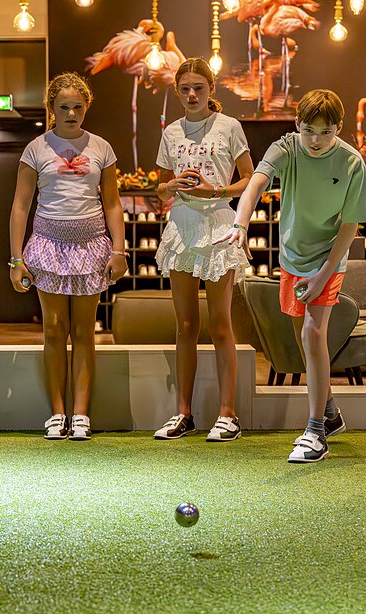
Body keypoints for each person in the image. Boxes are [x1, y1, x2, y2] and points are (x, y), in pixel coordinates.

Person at [219, 89, 366, 463]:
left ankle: (316, 430)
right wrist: (240, 223)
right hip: (292, 256)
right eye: (308, 131)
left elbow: (350, 226)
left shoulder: (352, 163)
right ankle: (331, 411)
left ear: (339, 127)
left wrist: (324, 274)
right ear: (297, 126)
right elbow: (256, 181)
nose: (316, 140)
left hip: (328, 257)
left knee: (313, 332)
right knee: (303, 337)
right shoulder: (286, 148)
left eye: (326, 131)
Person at [9, 72, 128, 441]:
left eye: (78, 106)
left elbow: (112, 202)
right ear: (52, 109)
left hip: (92, 245)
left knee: (84, 331)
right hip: (47, 245)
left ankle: (80, 414)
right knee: (53, 329)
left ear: (87, 107)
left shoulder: (102, 148)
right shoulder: (36, 149)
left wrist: (119, 249)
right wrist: (16, 259)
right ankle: (57, 413)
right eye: (64, 107)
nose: (72, 113)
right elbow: (20, 206)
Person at [151, 58, 254, 442]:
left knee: (221, 325)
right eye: (184, 89)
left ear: (212, 89)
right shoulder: (171, 132)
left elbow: (249, 180)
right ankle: (184, 413)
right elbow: (160, 189)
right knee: (185, 326)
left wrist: (216, 191)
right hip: (182, 227)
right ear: (177, 91)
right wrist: (172, 185)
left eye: (198, 87)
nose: (192, 94)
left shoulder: (230, 127)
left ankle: (228, 414)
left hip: (218, 226)